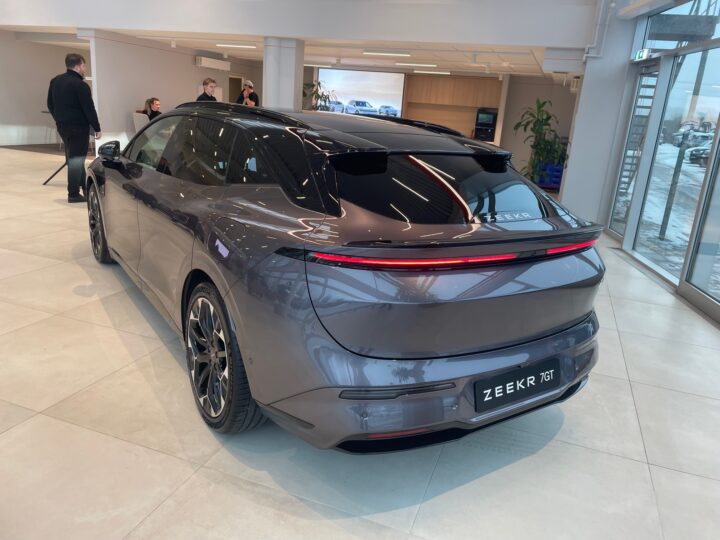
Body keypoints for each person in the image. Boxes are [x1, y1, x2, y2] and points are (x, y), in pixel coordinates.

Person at [47, 53, 101, 203]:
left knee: (76, 157)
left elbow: (50, 104)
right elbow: (89, 109)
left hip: (62, 127)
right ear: (78, 66)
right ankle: (73, 194)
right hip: (78, 128)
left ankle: (84, 188)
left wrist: (59, 119)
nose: (85, 68)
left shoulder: (55, 81)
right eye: (84, 65)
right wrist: (97, 128)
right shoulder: (80, 85)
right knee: (76, 160)